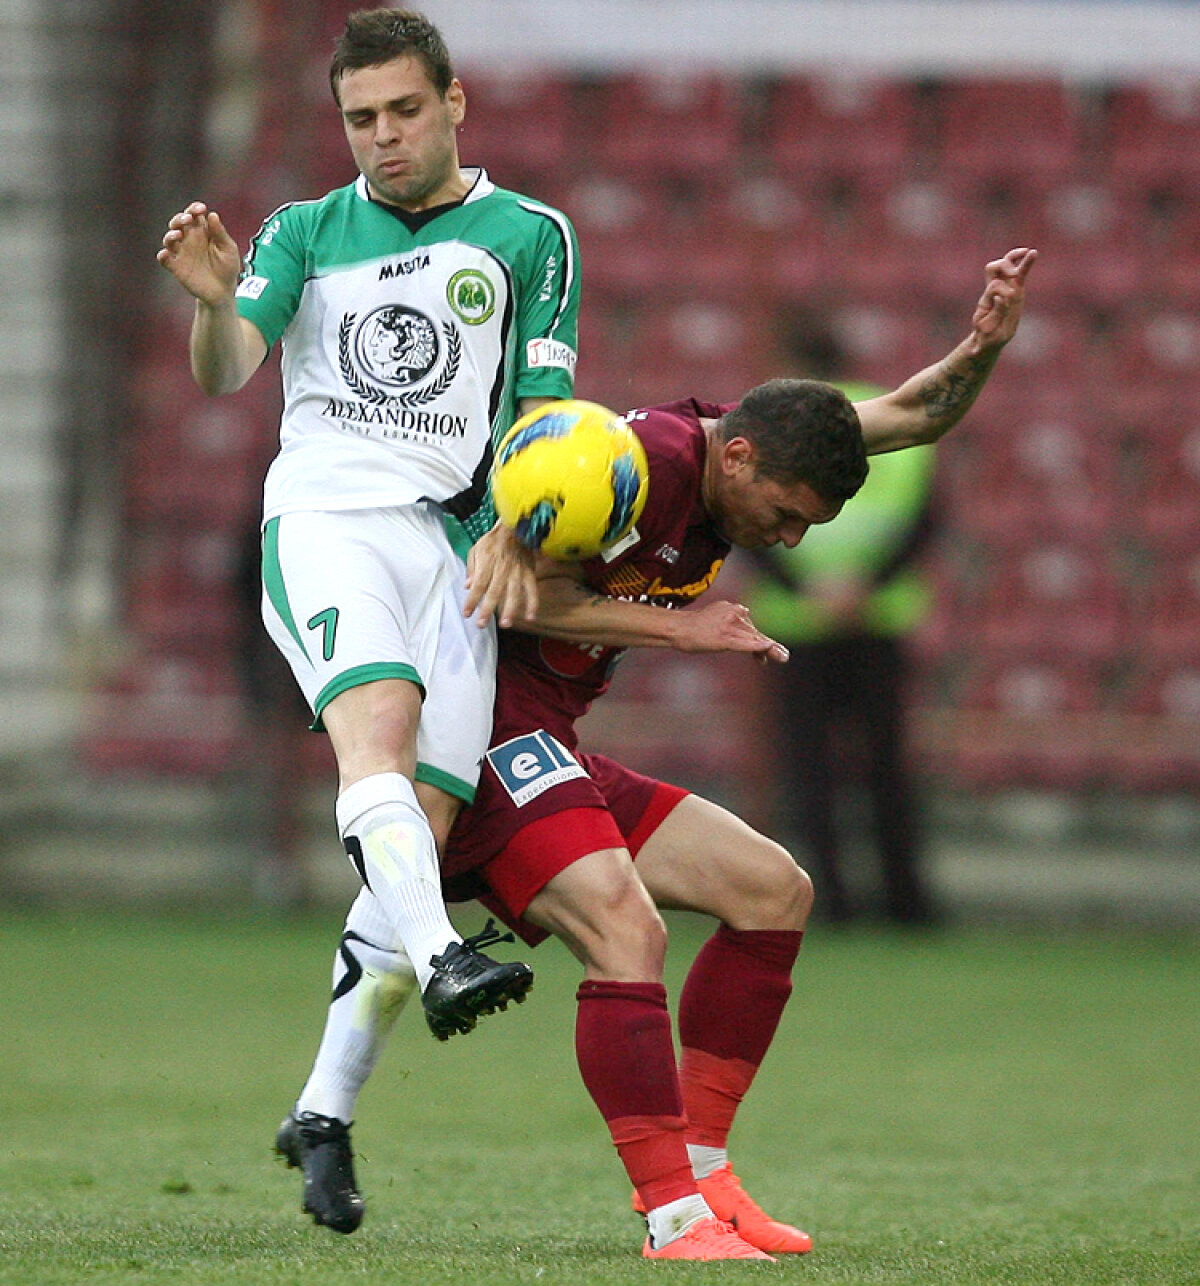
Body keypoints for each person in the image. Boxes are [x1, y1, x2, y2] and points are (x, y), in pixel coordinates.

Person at [276, 249, 1036, 1259]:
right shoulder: (633, 467)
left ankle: (710, 1177)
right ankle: (672, 1215)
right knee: (627, 932)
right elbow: (507, 591)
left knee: (774, 890)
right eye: (789, 516)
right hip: (482, 740)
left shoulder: (763, 447)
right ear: (740, 461)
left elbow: (916, 413)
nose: (794, 542)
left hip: (549, 743)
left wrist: (981, 348)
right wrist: (684, 628)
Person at [157, 7, 582, 1080]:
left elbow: (540, 408)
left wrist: (523, 536)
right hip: (329, 517)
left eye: (402, 110)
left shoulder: (532, 234)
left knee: (423, 826)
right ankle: (444, 954)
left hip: (455, 545)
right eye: (359, 119)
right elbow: (227, 367)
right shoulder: (302, 229)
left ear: (453, 103)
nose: (382, 135)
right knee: (377, 730)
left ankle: (322, 1109)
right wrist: (214, 308)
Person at [747, 376, 941, 926]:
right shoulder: (888, 411)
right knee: (887, 771)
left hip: (796, 627)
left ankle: (829, 902)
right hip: (876, 620)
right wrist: (869, 585)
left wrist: (803, 588)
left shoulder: (773, 421)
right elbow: (926, 520)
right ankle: (907, 903)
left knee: (812, 776)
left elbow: (742, 517)